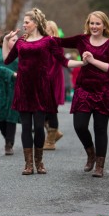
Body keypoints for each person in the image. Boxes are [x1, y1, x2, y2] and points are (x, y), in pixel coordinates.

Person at [3, 9, 84, 175]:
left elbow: (64, 61)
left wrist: (83, 63)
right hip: (23, 88)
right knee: (26, 127)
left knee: (39, 127)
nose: (24, 25)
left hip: (41, 88)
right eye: (24, 22)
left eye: (27, 22)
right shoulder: (20, 42)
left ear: (36, 23)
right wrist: (5, 41)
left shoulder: (49, 41)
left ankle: (39, 162)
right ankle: (28, 164)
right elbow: (7, 60)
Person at [53, 10, 109, 178]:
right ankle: (90, 153)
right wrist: (36, 36)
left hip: (104, 90)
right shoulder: (81, 40)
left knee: (100, 129)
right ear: (88, 24)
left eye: (98, 23)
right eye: (92, 23)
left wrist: (91, 60)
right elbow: (58, 41)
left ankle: (99, 164)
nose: (94, 26)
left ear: (104, 25)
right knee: (80, 126)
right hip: (84, 89)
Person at [0, 32, 19, 156]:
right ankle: (7, 137)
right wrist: (3, 71)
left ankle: (9, 143)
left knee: (11, 116)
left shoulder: (20, 53)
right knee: (0, 115)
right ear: (4, 41)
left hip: (15, 87)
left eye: (17, 40)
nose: (16, 42)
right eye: (13, 40)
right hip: (0, 87)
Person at [44, 20, 66, 150]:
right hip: (44, 81)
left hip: (52, 81)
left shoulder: (56, 44)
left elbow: (55, 66)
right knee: (42, 111)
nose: (45, 31)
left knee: (51, 111)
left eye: (48, 29)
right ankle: (55, 133)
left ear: (53, 31)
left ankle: (51, 141)